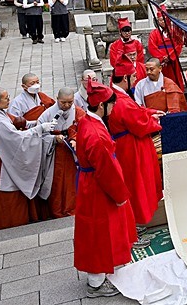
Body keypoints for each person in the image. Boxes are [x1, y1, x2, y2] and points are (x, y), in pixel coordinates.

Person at [74, 80, 137, 299]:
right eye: (111, 104)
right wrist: (120, 195)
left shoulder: (87, 122)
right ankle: (97, 283)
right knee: (99, 233)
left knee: (94, 232)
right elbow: (107, 170)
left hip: (89, 183)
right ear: (102, 105)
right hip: (98, 188)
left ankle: (100, 276)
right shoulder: (97, 135)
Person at [109, 56, 164, 247]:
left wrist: (150, 113)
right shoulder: (121, 101)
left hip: (128, 145)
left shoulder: (117, 96)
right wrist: (154, 121)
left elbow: (137, 113)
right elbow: (138, 123)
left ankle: (132, 225)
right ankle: (131, 232)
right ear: (125, 78)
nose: (135, 79)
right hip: (130, 149)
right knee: (135, 186)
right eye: (133, 76)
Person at [0, 88, 56, 229]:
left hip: (5, 156)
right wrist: (39, 129)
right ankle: (9, 225)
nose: (9, 100)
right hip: (2, 162)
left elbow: (16, 123)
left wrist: (35, 123)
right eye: (6, 98)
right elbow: (17, 139)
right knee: (8, 197)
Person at [36, 88, 81, 218]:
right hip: (54, 152)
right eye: (63, 102)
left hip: (72, 151)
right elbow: (38, 134)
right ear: (57, 98)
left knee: (72, 181)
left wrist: (75, 138)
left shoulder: (78, 112)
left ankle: (73, 207)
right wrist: (53, 139)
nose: (67, 105)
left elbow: (84, 128)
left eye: (70, 102)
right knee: (55, 182)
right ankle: (57, 210)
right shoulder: (47, 114)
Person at [148, 6, 185, 86]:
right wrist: (162, 58)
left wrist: (170, 57)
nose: (163, 21)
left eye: (165, 19)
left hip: (173, 60)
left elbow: (179, 45)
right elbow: (152, 48)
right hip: (161, 63)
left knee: (176, 81)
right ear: (158, 21)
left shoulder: (174, 32)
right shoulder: (154, 34)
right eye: (161, 20)